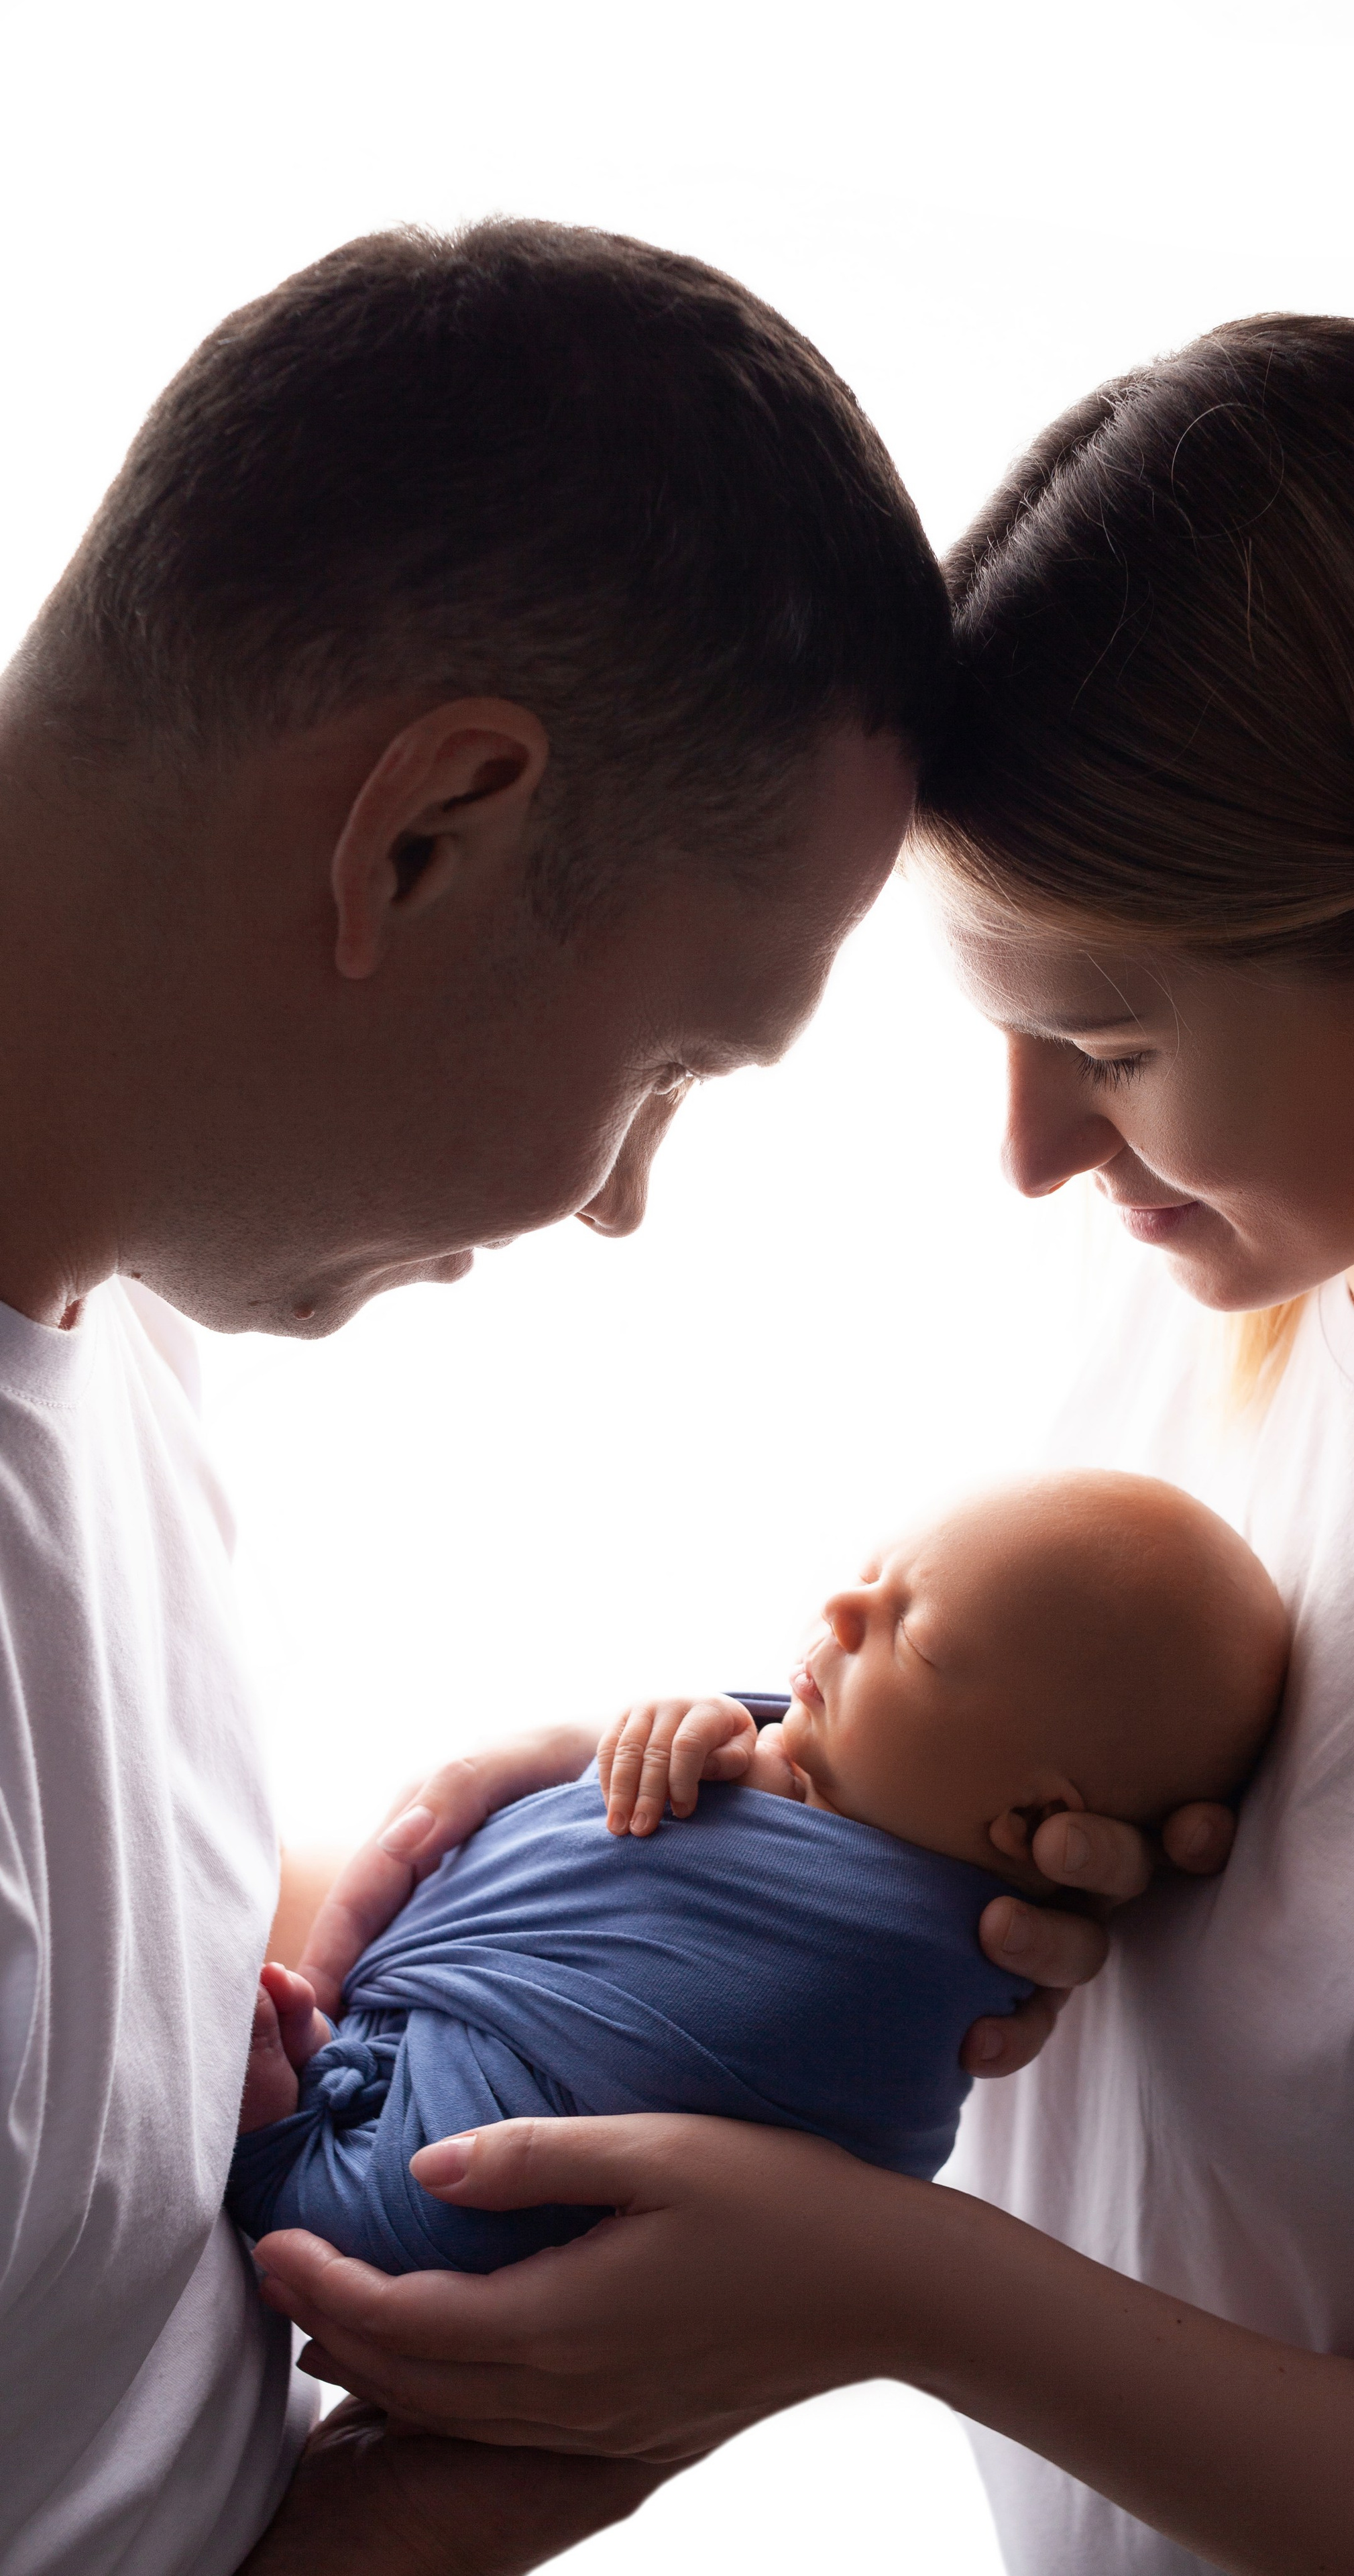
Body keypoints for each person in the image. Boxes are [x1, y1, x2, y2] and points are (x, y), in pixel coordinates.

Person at [254, 318, 1354, 2575]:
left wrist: (885, 2291)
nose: (1034, 1154)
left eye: (1110, 1044)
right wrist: (687, 1805)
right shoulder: (1206, 1304)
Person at [0, 213, 948, 2576]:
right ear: (424, 835)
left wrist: (524, 1908)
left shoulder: (110, 1299)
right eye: (676, 1062)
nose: (619, 1202)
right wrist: (481, 2500)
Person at [227, 1473, 1285, 2272]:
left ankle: (293, 2147)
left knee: (446, 2207)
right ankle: (332, 2082)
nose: (842, 1610)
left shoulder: (897, 1967)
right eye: (874, 1574)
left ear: (1033, 1821)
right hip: (421, 2008)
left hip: (491, 2151)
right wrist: (665, 1731)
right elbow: (630, 1812)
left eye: (914, 1639)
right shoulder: (792, 1753)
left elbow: (753, 2079)